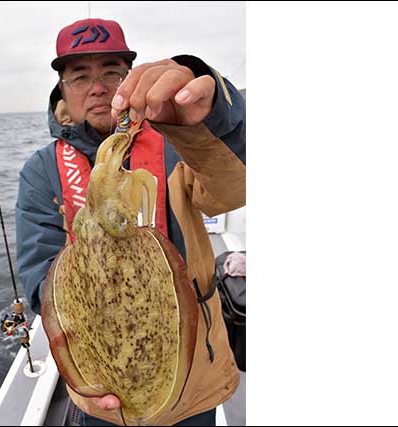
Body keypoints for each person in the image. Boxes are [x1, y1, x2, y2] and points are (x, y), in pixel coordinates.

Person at [15, 18, 246, 426]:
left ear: (128, 80)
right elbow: (39, 277)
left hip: (194, 383)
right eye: (80, 76)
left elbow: (235, 189)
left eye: (111, 72)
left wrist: (210, 119)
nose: (98, 86)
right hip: (103, 386)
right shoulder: (41, 171)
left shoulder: (178, 143)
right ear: (63, 93)